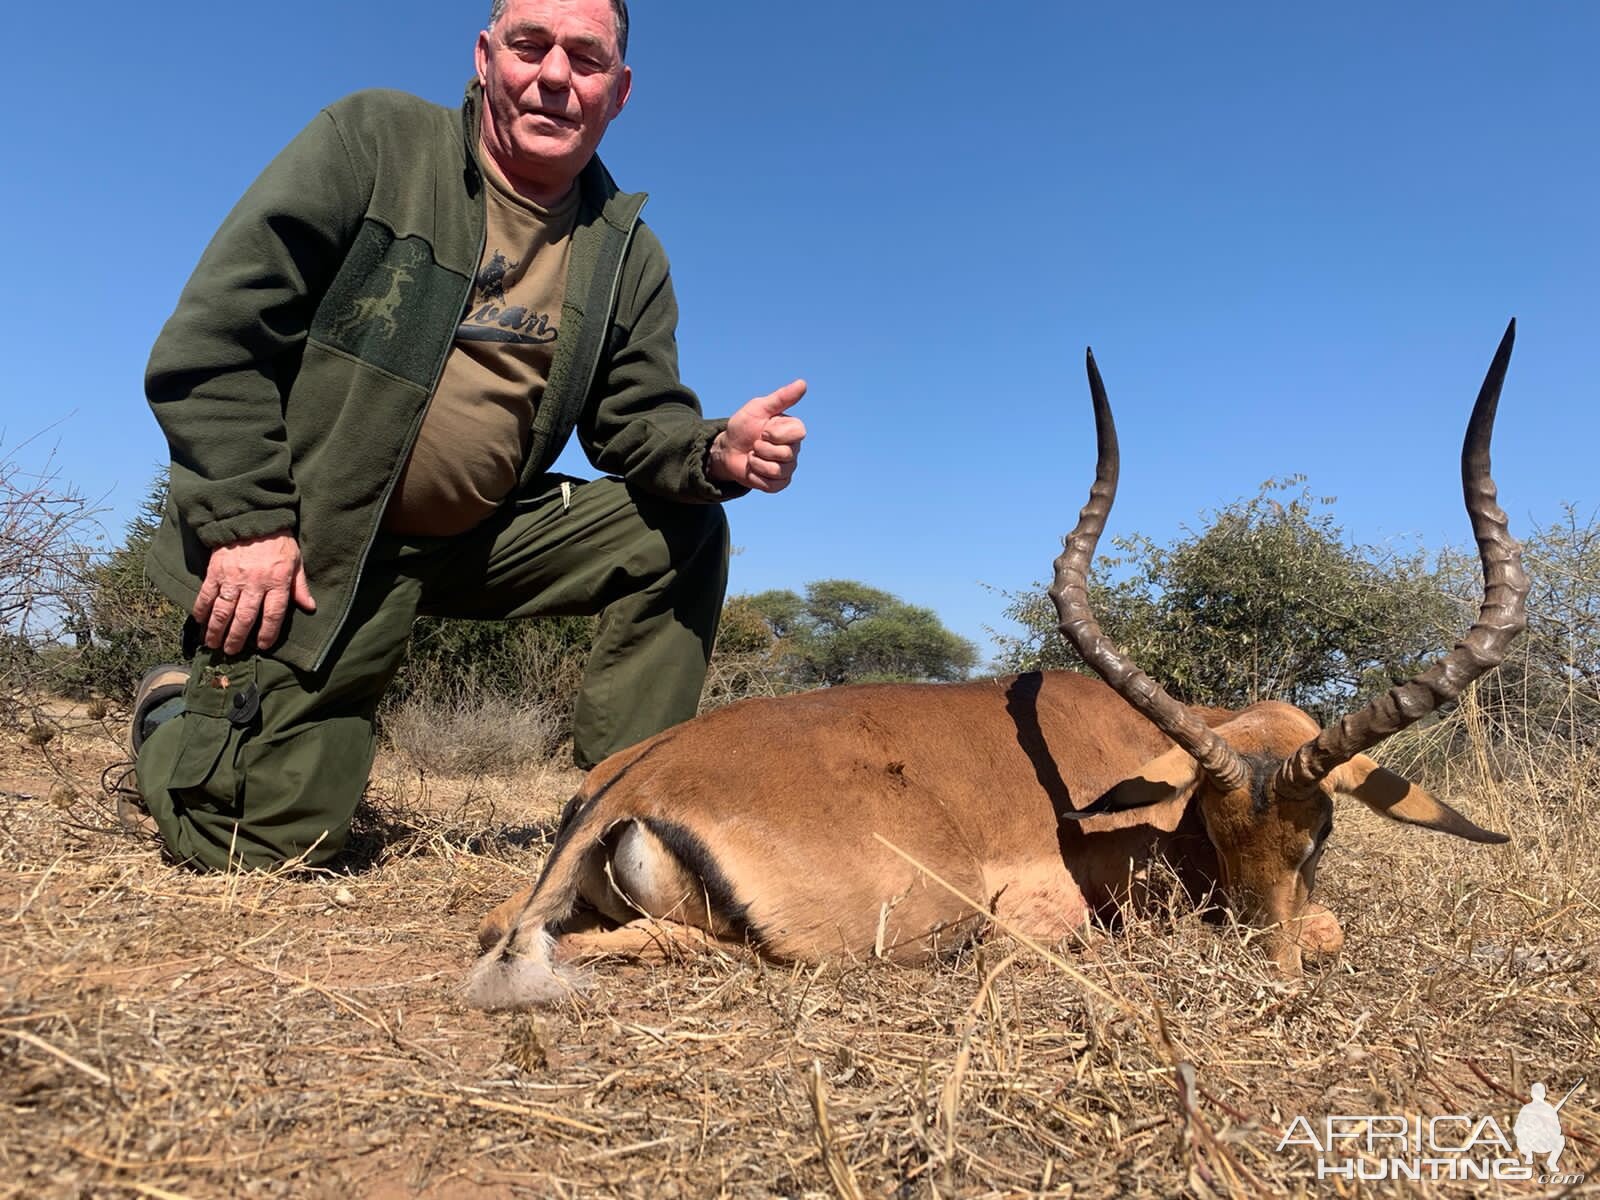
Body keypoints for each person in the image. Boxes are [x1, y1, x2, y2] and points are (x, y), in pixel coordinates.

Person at [131, 0, 806, 871]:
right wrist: (250, 522)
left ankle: (631, 814)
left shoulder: (628, 252)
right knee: (259, 845)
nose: (555, 75)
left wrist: (714, 453)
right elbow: (213, 343)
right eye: (531, 45)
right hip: (317, 545)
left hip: (485, 540)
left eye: (586, 58)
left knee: (681, 529)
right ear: (486, 56)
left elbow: (637, 423)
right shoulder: (372, 141)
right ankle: (171, 713)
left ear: (621, 91)